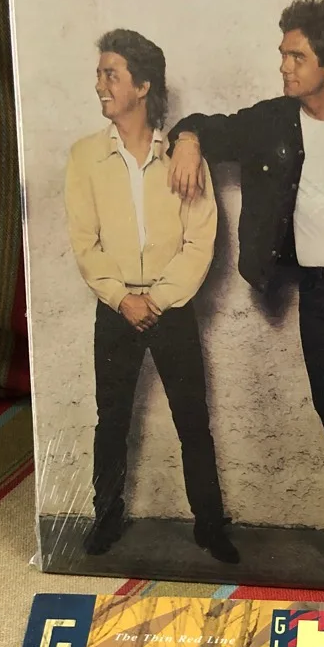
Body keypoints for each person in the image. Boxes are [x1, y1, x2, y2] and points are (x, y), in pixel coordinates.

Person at [168, 0, 324, 587]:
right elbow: (210, 127)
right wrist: (187, 137)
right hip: (321, 296)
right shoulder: (271, 122)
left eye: (296, 56)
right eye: (283, 54)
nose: (283, 65)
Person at [65, 28, 237, 563]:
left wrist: (157, 300)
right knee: (111, 420)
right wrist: (123, 299)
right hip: (116, 310)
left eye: (110, 74)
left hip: (171, 310)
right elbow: (85, 242)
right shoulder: (84, 157)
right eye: (99, 74)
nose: (100, 84)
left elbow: (200, 240)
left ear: (142, 87)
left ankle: (210, 526)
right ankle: (105, 519)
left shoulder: (182, 158)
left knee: (193, 422)